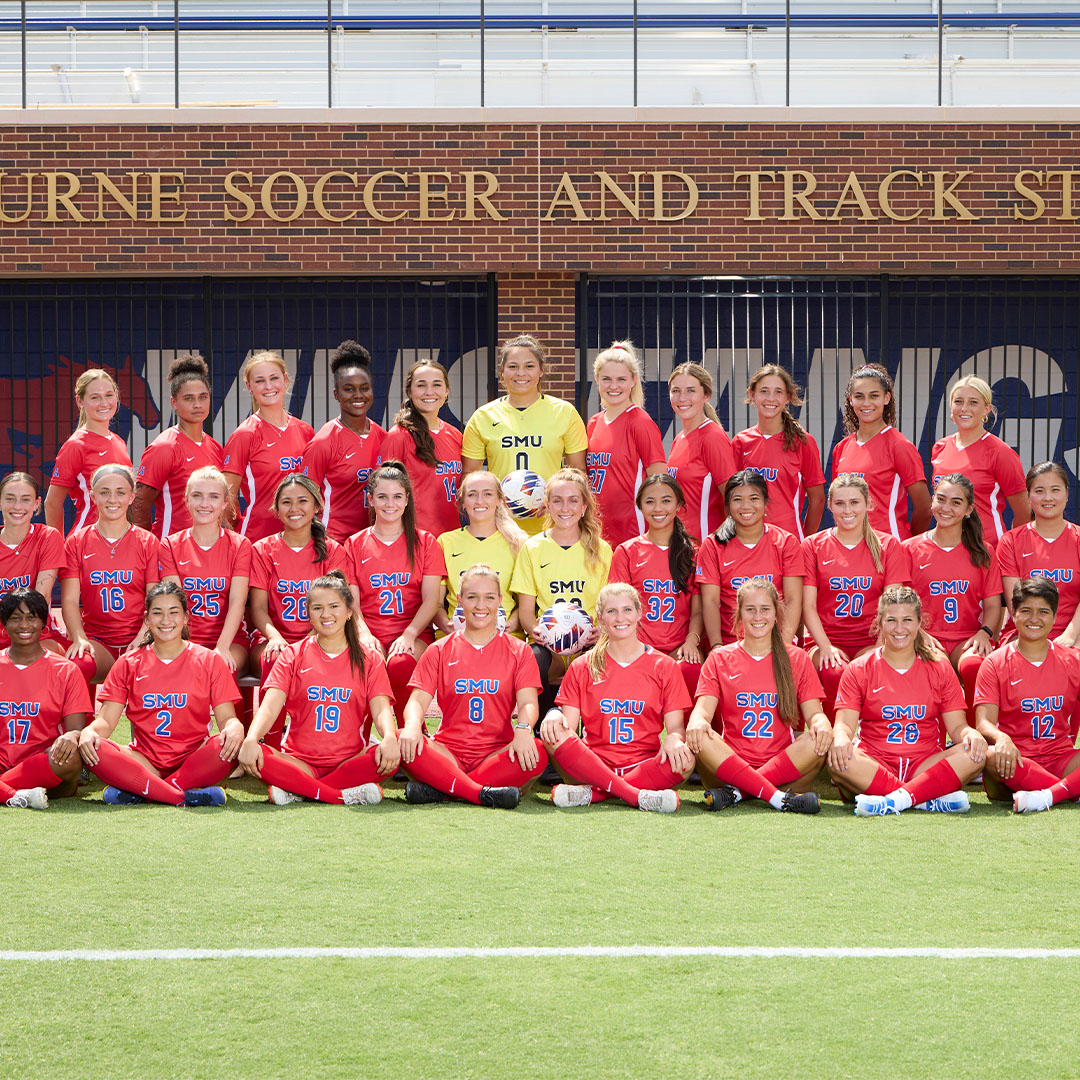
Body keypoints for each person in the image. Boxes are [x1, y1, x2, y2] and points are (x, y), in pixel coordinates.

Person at [239, 572, 398, 806]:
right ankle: (343, 794)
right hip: (299, 761)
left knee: (390, 754)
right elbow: (270, 706)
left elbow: (381, 709)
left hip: (349, 761)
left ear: (349, 612)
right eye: (317, 608)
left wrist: (390, 738)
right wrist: (252, 738)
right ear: (308, 613)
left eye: (334, 606)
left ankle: (300, 789)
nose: (326, 615)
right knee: (260, 757)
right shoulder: (293, 654)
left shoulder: (369, 659)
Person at [77, 582, 242, 806]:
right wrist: (89, 732)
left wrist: (235, 727)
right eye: (158, 613)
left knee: (230, 744)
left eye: (174, 613)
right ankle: (184, 795)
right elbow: (105, 721)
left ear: (185, 617)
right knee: (95, 747)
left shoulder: (209, 660)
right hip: (143, 760)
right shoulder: (129, 662)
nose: (166, 620)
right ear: (146, 619)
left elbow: (226, 719)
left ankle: (143, 791)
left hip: (193, 760)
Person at [828, 585, 986, 815]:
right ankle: (923, 799)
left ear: (920, 623)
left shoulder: (939, 667)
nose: (899, 628)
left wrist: (970, 734)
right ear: (879, 622)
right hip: (875, 762)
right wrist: (841, 738)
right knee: (836, 760)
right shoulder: (860, 668)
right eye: (891, 620)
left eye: (907, 620)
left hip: (925, 763)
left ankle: (890, 801)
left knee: (977, 754)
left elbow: (957, 727)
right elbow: (843, 724)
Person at [398, 564, 546, 808]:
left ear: (500, 600)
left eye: (489, 597)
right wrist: (413, 726)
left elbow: (528, 702)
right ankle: (484, 792)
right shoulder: (439, 649)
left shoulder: (518, 650)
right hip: (447, 752)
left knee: (537, 752)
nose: (480, 605)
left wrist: (522, 729)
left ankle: (444, 789)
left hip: (497, 753)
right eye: (472, 597)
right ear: (460, 601)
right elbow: (417, 700)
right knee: (401, 737)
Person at [538, 583, 693, 812]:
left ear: (639, 613)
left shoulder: (665, 666)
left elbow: (676, 728)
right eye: (612, 611)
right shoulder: (583, 665)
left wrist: (674, 738)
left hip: (644, 765)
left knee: (687, 760)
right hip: (592, 764)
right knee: (551, 733)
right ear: (600, 618)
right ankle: (637, 796)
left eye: (627, 610)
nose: (621, 618)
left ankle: (593, 794)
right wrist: (553, 714)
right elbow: (567, 729)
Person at [685, 579, 832, 804]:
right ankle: (776, 797)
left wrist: (821, 723)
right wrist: (697, 721)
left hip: (784, 767)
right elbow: (703, 711)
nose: (757, 617)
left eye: (765, 609)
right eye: (750, 610)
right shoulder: (720, 657)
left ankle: (738, 793)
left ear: (776, 613)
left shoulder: (797, 658)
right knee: (700, 735)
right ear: (739, 614)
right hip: (729, 765)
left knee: (818, 739)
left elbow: (814, 714)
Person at [801, 474, 910, 714]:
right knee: (834, 671)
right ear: (829, 506)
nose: (846, 510)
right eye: (839, 503)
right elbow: (807, 605)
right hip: (827, 639)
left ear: (868, 504)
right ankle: (831, 741)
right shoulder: (812, 545)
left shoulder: (888, 546)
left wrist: (882, 644)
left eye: (854, 502)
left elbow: (893, 605)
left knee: (872, 668)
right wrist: (826, 646)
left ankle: (867, 736)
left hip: (871, 639)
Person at [346, 461, 445, 717]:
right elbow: (352, 604)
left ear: (407, 499)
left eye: (397, 496)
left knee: (401, 665)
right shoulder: (355, 544)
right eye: (382, 497)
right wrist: (364, 636)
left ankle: (410, 735)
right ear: (370, 500)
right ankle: (361, 741)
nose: (390, 504)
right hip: (370, 632)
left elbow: (431, 601)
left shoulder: (426, 542)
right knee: (368, 663)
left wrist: (409, 634)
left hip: (412, 632)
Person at [461, 334, 588, 535]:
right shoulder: (483, 417)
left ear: (541, 371)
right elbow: (469, 476)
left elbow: (578, 471)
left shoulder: (564, 412)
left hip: (552, 525)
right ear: (501, 372)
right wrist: (490, 501)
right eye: (512, 366)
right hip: (500, 527)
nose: (521, 373)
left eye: (529, 366)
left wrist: (558, 500)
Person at [974, 578, 1080, 813]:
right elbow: (983, 723)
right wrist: (1002, 739)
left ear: (1054, 616)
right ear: (1013, 614)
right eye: (1026, 611)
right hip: (1015, 760)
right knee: (989, 756)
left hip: (1060, 758)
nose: (1034, 619)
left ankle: (1048, 796)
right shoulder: (995, 663)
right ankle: (1069, 791)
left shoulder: (1073, 660)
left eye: (1043, 612)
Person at [511, 468, 612, 713]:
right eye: (557, 500)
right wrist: (535, 631)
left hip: (590, 642)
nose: (565, 508)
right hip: (548, 641)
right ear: (547, 505)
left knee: (607, 659)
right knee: (533, 658)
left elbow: (609, 606)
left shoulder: (602, 550)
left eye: (573, 500)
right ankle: (538, 727)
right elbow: (526, 610)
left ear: (584, 506)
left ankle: (592, 732)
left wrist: (601, 632)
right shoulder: (533, 548)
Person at [904, 474, 1002, 723]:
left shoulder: (983, 552)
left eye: (956, 502)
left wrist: (984, 633)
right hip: (923, 637)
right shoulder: (909, 549)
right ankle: (934, 743)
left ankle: (976, 739)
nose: (946, 508)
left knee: (974, 666)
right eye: (941, 499)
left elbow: (993, 606)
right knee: (935, 668)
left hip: (966, 638)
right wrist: (919, 635)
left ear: (969, 509)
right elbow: (900, 603)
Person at [249, 474, 350, 701]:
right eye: (286, 502)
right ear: (276, 509)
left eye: (303, 500)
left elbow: (337, 609)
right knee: (274, 658)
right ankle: (269, 737)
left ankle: (322, 736)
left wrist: (310, 643)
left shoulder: (333, 551)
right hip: (273, 638)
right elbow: (257, 608)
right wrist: (274, 637)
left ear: (317, 505)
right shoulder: (262, 550)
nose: (294, 508)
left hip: (321, 637)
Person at [60, 464, 160, 688]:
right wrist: (79, 638)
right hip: (98, 640)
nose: (112, 499)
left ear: (132, 496)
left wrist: (143, 637)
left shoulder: (147, 542)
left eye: (120, 492)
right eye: (104, 492)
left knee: (150, 671)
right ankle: (83, 724)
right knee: (77, 662)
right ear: (93, 496)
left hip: (139, 638)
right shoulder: (77, 542)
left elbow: (155, 599)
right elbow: (69, 600)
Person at [608, 474, 703, 697]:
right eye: (649, 501)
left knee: (691, 669)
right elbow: (618, 608)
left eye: (666, 500)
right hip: (637, 648)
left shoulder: (693, 553)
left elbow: (698, 610)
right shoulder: (627, 552)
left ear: (679, 505)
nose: (658, 508)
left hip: (680, 648)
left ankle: (690, 732)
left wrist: (691, 642)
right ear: (640, 506)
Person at [0, 588, 91, 810]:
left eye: (32, 618)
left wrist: (71, 737)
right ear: (4, 625)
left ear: (44, 623)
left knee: (71, 756)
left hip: (43, 761)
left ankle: (8, 791)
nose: (24, 625)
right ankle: (18, 795)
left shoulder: (66, 670)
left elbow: (75, 730)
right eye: (15, 618)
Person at [158, 467, 252, 675]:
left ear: (224, 502)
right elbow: (175, 603)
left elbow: (237, 601)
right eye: (197, 496)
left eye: (214, 497)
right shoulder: (170, 545)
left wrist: (222, 646)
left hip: (230, 640)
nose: (204, 504)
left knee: (221, 667)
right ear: (186, 500)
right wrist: (185, 647)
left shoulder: (240, 545)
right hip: (183, 639)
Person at [695, 470, 803, 648]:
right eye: (737, 499)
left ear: (766, 503)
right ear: (728, 506)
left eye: (754, 498)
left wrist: (783, 644)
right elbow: (711, 601)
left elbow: (792, 599)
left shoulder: (786, 542)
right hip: (729, 643)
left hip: (774, 642)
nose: (746, 506)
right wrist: (716, 646)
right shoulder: (713, 545)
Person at [830, 363, 930, 540]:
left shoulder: (899, 446)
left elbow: (924, 507)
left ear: (886, 398)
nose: (866, 403)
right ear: (850, 399)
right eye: (859, 396)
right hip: (851, 548)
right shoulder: (842, 448)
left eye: (874, 396)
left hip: (888, 550)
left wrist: (906, 544)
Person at [222, 350, 314, 541]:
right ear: (249, 386)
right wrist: (233, 539)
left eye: (274, 378)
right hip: (258, 537)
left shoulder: (305, 430)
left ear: (285, 380)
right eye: (260, 381)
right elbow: (227, 496)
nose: (268, 386)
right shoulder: (245, 434)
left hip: (300, 537)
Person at [131, 354, 224, 538]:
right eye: (189, 398)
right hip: (169, 552)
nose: (197, 404)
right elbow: (138, 504)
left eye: (203, 397)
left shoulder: (215, 447)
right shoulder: (164, 447)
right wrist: (147, 550)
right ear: (174, 402)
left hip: (207, 551)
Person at [930, 375, 1028, 549]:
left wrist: (1010, 551)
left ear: (987, 409)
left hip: (988, 549)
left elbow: (1023, 512)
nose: (964, 408)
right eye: (958, 401)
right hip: (947, 548)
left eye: (973, 402)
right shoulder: (941, 447)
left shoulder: (1001, 452)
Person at [301, 341, 385, 543]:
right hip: (334, 542)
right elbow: (304, 499)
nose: (358, 395)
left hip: (372, 542)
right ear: (336, 394)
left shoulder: (383, 437)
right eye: (349, 389)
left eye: (364, 388)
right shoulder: (323, 442)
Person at [585, 341, 666, 547]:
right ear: (597, 380)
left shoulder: (640, 422)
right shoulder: (594, 423)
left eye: (621, 379)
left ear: (633, 380)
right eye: (607, 379)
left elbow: (660, 481)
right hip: (597, 531)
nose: (614, 386)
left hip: (632, 530)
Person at [732, 364, 825, 540]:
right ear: (752, 395)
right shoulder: (740, 442)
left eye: (778, 392)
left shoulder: (803, 441)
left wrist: (805, 540)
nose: (771, 398)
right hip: (749, 541)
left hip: (789, 541)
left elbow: (818, 499)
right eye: (764, 391)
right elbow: (730, 496)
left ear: (787, 397)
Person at [996, 462, 1080, 646]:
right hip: (1024, 631)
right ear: (1028, 496)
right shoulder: (1010, 542)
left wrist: (1071, 636)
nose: (1047, 497)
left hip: (1074, 632)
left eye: (1055, 490)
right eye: (1039, 491)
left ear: (1067, 494)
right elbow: (1016, 604)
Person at [435, 470, 526, 637]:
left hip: (505, 638)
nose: (479, 501)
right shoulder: (445, 542)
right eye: (472, 494)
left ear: (499, 500)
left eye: (487, 494)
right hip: (456, 638)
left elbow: (525, 605)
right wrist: (447, 625)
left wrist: (511, 624)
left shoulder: (518, 543)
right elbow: (436, 604)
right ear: (463, 501)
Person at [379, 359, 463, 539]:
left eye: (437, 385)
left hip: (452, 539)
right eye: (421, 385)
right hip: (414, 539)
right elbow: (382, 494)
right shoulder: (398, 436)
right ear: (409, 391)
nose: (429, 392)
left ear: (447, 391)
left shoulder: (455, 435)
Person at [44, 368, 132, 535]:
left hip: (117, 541)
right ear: (80, 402)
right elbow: (52, 503)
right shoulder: (76, 445)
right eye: (95, 397)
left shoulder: (119, 441)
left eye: (109, 395)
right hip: (84, 541)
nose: (104, 403)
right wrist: (57, 548)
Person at [666, 362, 736, 541]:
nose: (682, 398)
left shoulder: (712, 437)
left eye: (691, 390)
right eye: (676, 391)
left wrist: (721, 547)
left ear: (706, 395)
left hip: (705, 548)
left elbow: (732, 499)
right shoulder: (679, 438)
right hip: (682, 548)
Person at [0, 472, 66, 654]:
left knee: (25, 658)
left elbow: (40, 598)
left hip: (38, 634)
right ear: (0, 502)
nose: (17, 506)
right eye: (10, 499)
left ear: (37, 504)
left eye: (25, 499)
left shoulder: (47, 537)